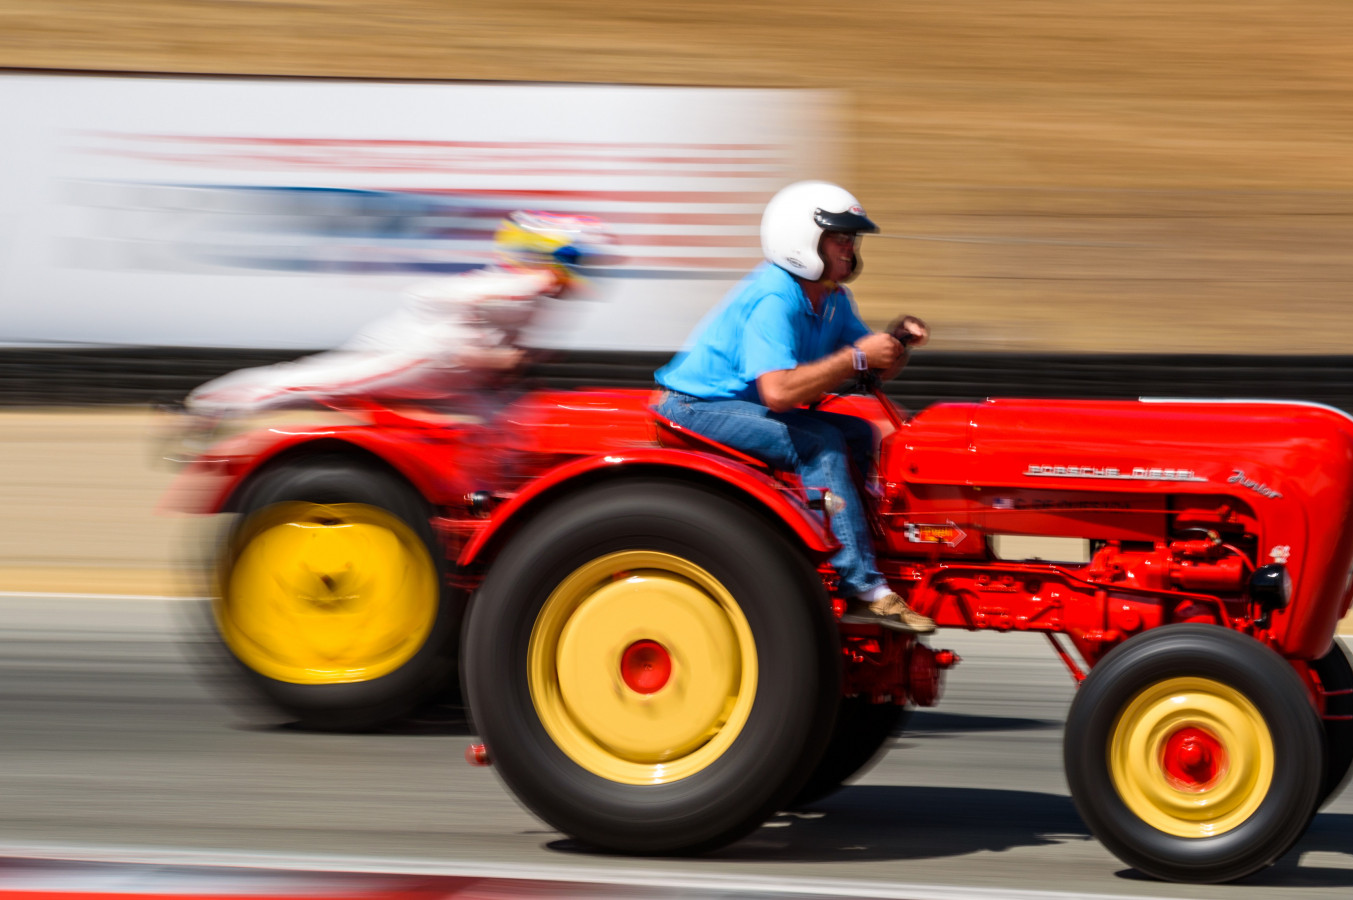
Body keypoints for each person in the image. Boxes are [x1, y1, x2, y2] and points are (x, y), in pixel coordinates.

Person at [654, 180, 934, 633]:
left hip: (739, 407)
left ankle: (861, 538)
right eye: (839, 238)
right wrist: (859, 356)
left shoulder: (831, 299)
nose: (850, 248)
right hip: (694, 407)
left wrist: (897, 341)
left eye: (851, 239)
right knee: (818, 439)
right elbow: (779, 394)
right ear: (802, 241)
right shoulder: (775, 297)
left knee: (860, 433)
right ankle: (862, 586)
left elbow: (870, 369)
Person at [184, 211, 608, 427]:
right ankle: (213, 405)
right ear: (548, 257)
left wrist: (512, 362)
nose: (585, 270)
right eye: (576, 259)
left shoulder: (537, 290)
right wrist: (497, 359)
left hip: (455, 374)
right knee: (317, 384)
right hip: (421, 350)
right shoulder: (524, 283)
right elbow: (444, 302)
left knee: (505, 427)